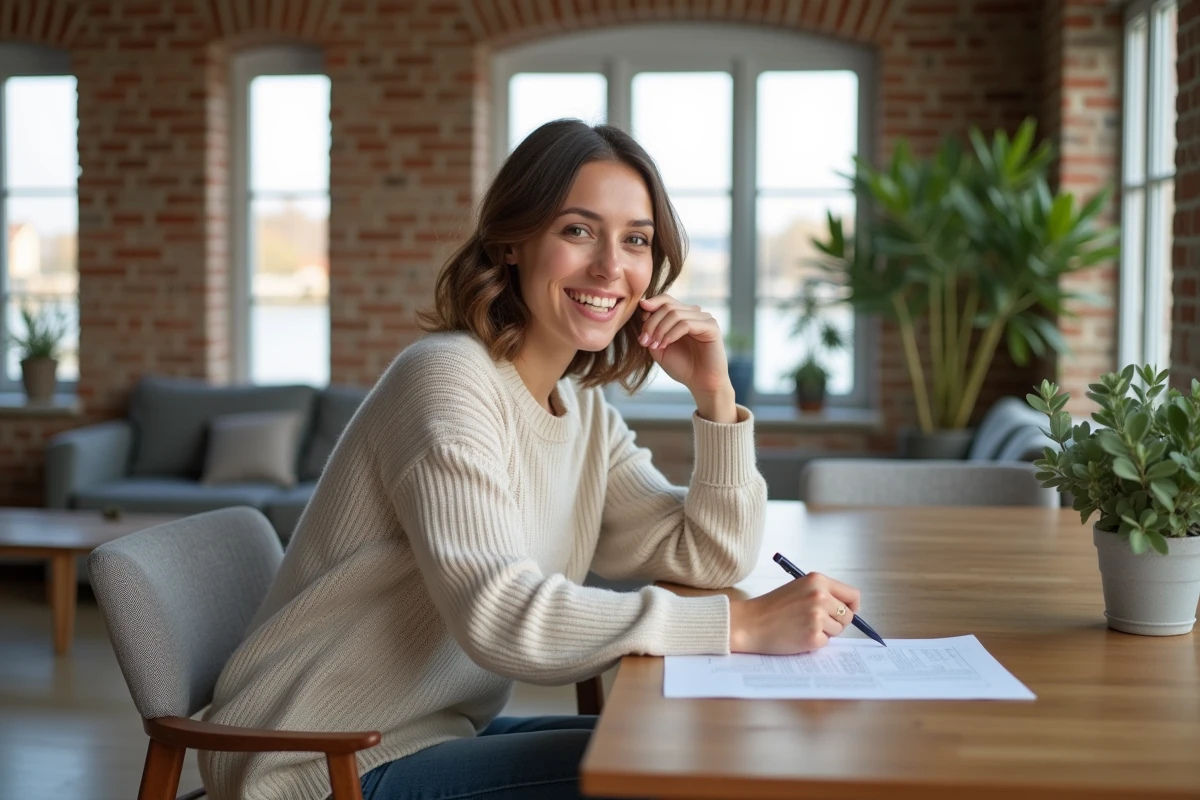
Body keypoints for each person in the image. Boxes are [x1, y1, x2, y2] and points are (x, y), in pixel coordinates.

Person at [198, 119, 863, 800]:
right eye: (578, 231)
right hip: (313, 762)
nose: (610, 266)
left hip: (425, 731)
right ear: (513, 243)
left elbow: (711, 555)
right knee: (678, 772)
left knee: (686, 743)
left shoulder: (580, 411)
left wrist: (716, 397)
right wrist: (740, 624)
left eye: (635, 240)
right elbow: (501, 616)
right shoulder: (446, 379)